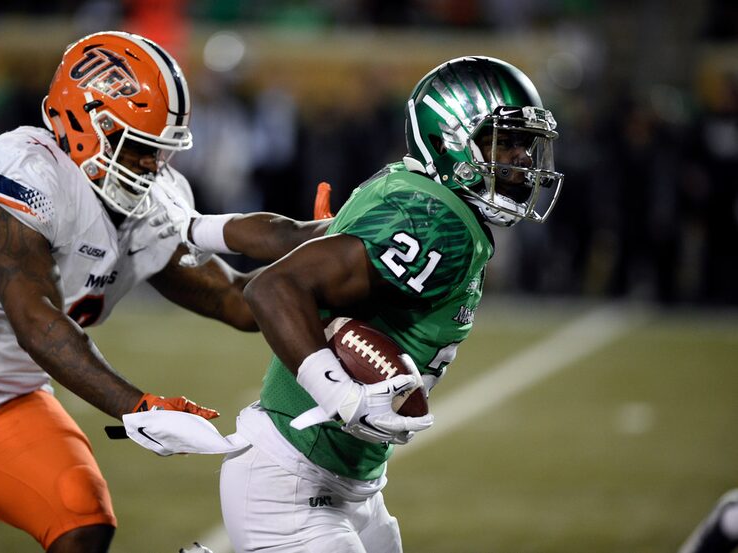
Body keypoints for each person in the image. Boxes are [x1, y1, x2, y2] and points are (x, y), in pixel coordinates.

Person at [0, 31, 325, 552]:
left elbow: (235, 300)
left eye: (160, 150)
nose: (154, 165)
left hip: (4, 398)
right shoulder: (28, 166)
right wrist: (140, 406)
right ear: (87, 122)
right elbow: (35, 319)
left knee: (82, 519)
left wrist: (321, 269)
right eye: (142, 147)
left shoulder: (151, 197)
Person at [222, 56, 565, 552]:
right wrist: (341, 395)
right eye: (504, 142)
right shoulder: (437, 222)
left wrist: (199, 228)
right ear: (453, 139)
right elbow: (272, 288)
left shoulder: (422, 194)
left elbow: (303, 245)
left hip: (348, 481)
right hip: (293, 478)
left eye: (525, 145)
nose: (522, 161)